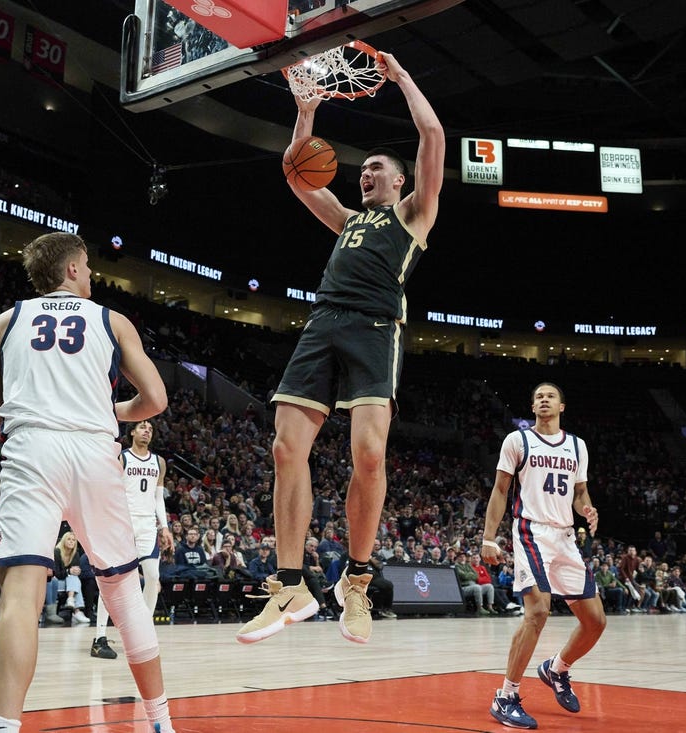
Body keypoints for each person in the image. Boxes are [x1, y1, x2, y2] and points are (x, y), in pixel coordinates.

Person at [237, 52, 445, 646]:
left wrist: (402, 77)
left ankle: (356, 582)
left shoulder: (413, 215)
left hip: (376, 330)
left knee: (370, 455)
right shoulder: (347, 219)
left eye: (377, 167)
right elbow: (297, 174)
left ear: (400, 180)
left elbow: (432, 135)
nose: (366, 173)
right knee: (284, 448)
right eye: (365, 169)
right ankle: (290, 586)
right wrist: (306, 114)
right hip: (323, 322)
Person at [0, 232, 175, 733]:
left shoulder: (5, 323)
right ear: (71, 269)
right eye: (87, 266)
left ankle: (1, 728)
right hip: (93, 449)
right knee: (122, 590)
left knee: (20, 595)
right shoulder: (113, 320)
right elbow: (154, 399)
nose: (91, 275)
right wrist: (111, 412)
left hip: (33, 448)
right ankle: (159, 721)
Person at [482, 383, 606, 730]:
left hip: (565, 536)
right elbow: (500, 490)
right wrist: (488, 537)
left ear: (561, 406)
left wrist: (587, 509)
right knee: (537, 610)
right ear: (533, 406)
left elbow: (579, 490)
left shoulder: (578, 446)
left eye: (550, 396)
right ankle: (505, 697)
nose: (543, 400)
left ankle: (557, 668)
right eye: (538, 397)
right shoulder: (517, 441)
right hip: (531, 531)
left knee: (595, 621)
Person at [91, 419, 172, 661]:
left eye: (150, 428)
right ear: (132, 432)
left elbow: (158, 498)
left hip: (147, 526)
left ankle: (143, 630)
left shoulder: (159, 462)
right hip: (122, 524)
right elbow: (108, 489)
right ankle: (99, 637)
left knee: (153, 577)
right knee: (111, 579)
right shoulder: (122, 458)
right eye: (142, 427)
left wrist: (164, 527)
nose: (147, 430)